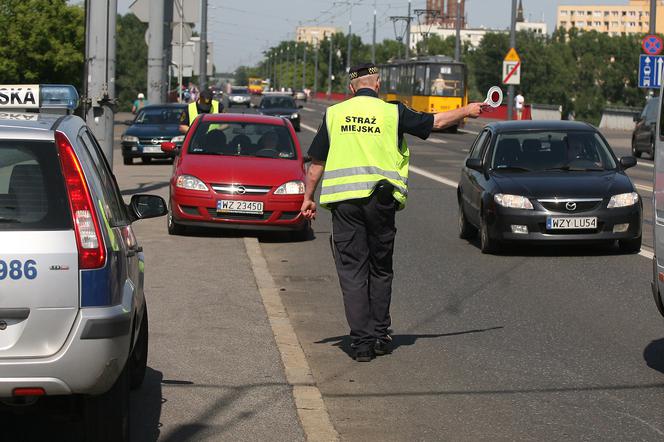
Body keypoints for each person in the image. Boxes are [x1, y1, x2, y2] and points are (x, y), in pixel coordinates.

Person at [300, 63, 482, 362]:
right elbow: (435, 122)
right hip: (381, 203)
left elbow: (316, 163)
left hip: (345, 204)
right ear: (379, 84)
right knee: (380, 269)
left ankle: (361, 344)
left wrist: (308, 198)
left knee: (353, 271)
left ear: (351, 88)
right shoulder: (392, 112)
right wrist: (466, 110)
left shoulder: (335, 114)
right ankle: (381, 335)